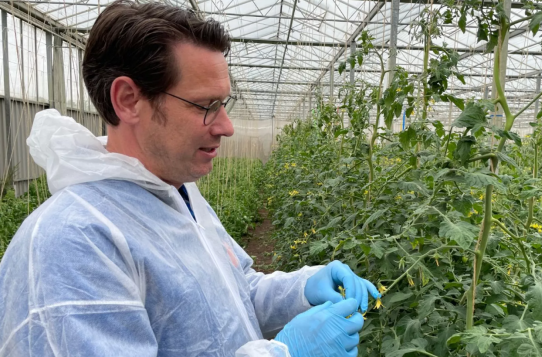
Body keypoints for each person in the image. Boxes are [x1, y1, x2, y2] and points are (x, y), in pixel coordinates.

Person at [0, 1, 380, 356]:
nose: (227, 127)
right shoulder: (71, 243)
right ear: (129, 100)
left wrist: (301, 290)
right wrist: (285, 351)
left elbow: (232, 294)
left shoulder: (178, 193)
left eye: (224, 104)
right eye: (206, 106)